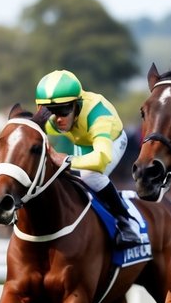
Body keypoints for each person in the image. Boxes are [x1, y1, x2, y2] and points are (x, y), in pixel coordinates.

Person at [34, 69, 142, 247]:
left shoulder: (98, 116)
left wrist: (66, 160)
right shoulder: (54, 119)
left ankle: (127, 221)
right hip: (82, 141)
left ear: (77, 105)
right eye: (51, 111)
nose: (57, 118)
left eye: (63, 110)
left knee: (89, 175)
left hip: (110, 142)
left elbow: (101, 158)